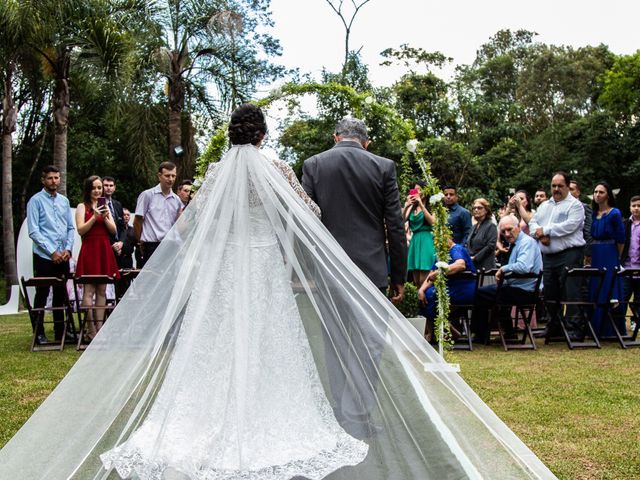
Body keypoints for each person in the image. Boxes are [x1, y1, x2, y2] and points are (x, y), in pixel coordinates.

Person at [0, 106, 558, 480]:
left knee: (219, 342)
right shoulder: (278, 169)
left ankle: (204, 421)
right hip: (264, 266)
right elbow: (308, 214)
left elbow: (191, 224)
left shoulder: (217, 173)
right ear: (264, 135)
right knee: (268, 341)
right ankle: (279, 419)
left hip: (227, 271)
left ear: (235, 134)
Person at [302, 116, 406, 300]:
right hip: (371, 270)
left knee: (332, 330)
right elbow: (395, 226)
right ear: (366, 143)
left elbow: (306, 219)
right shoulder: (384, 167)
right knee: (372, 330)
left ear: (336, 137)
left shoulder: (313, 165)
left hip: (329, 268)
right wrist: (398, 276)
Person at [529, 171, 585, 339]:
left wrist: (546, 230)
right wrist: (538, 233)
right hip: (549, 256)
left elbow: (570, 226)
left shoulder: (575, 205)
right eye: (553, 186)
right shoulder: (544, 206)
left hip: (569, 254)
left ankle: (575, 329)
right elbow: (533, 222)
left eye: (560, 186)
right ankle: (554, 326)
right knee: (550, 292)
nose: (556, 189)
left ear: (568, 186)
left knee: (571, 291)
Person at [26, 165, 75, 344]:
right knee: (42, 293)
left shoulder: (64, 201)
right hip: (44, 256)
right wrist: (51, 251)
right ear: (43, 180)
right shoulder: (36, 201)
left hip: (63, 255)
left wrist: (68, 249)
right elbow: (34, 231)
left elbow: (70, 228)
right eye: (50, 178)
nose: (54, 181)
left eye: (56, 178)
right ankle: (38, 333)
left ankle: (61, 331)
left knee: (61, 294)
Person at [473, 215, 543, 342]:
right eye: (503, 231)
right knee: (492, 291)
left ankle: (481, 335)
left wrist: (503, 269)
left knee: (482, 293)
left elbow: (524, 266)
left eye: (510, 229)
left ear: (518, 227)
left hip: (526, 291)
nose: (507, 234)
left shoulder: (526, 242)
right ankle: (508, 333)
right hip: (517, 287)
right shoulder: (516, 243)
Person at [75, 176, 121, 338]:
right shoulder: (82, 207)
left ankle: (100, 327)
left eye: (99, 188)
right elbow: (80, 230)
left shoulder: (105, 205)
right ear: (88, 189)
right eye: (94, 188)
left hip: (103, 248)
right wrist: (94, 217)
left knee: (102, 290)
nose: (97, 191)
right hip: (89, 248)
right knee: (88, 291)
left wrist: (106, 216)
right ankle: (90, 328)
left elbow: (114, 231)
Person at [418, 238, 477, 341]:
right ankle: (437, 333)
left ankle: (433, 334)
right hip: (450, 290)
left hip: (463, 289)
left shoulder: (457, 250)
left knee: (431, 297)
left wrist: (440, 272)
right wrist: (421, 290)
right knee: (424, 296)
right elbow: (431, 275)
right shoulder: (440, 254)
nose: (437, 242)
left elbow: (460, 265)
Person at [589, 181, 626, 336]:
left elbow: (621, 239)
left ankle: (612, 329)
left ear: (608, 195)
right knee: (596, 288)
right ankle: (596, 328)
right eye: (596, 192)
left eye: (601, 192)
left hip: (610, 252)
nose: (598, 195)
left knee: (609, 287)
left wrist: (615, 257)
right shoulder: (593, 214)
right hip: (596, 253)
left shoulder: (615, 213)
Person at [133, 161, 182, 267]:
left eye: (173, 176)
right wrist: (139, 241)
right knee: (149, 279)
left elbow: (177, 224)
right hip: (151, 245)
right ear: (159, 176)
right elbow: (137, 220)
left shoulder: (177, 200)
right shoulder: (147, 195)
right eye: (167, 176)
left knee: (169, 280)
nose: (171, 179)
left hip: (170, 245)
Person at [403, 182, 436, 287]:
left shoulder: (432, 206)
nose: (417, 192)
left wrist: (421, 204)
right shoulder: (412, 207)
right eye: (415, 190)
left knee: (423, 280)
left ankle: (427, 300)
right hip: (415, 241)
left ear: (426, 192)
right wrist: (407, 205)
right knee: (416, 281)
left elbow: (433, 222)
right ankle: (419, 302)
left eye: (419, 189)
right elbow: (402, 220)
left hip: (426, 241)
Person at [465, 197, 497, 272]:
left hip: (486, 268)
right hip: (473, 266)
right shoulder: (473, 227)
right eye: (474, 208)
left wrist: (475, 257)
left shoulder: (491, 226)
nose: (476, 210)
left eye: (479, 208)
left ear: (486, 210)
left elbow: (490, 246)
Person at [621, 195, 640, 307]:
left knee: (638, 302)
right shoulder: (624, 224)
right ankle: (620, 323)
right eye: (634, 206)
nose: (636, 208)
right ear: (630, 208)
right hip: (626, 269)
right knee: (622, 300)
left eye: (639, 206)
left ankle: (636, 323)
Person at [569, 180, 593, 265]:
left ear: (578, 192)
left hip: (580, 252)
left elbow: (588, 231)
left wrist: (588, 253)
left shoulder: (585, 207)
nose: (569, 192)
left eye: (571, 189)